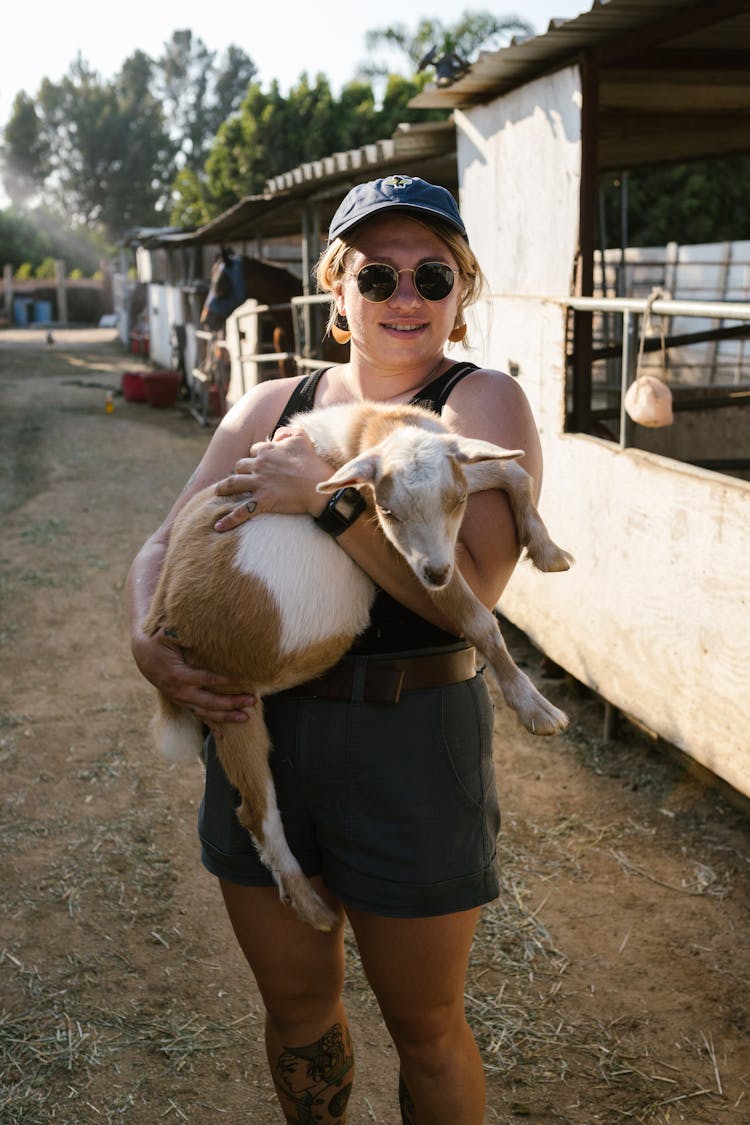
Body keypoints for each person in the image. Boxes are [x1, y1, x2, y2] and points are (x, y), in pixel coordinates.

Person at [127, 174, 543, 1124]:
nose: (406, 296)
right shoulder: (270, 401)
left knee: (427, 1025)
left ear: (460, 293)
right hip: (262, 727)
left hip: (406, 735)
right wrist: (147, 641)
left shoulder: (481, 409)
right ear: (337, 288)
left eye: (432, 277)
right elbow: (163, 541)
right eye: (379, 273)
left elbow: (467, 599)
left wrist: (328, 499)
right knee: (297, 1004)